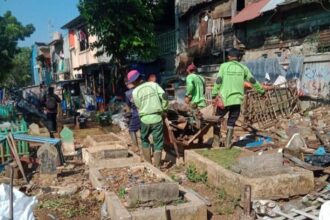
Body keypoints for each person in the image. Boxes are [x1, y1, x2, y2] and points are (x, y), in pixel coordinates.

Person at [211, 48, 265, 148]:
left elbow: (218, 80)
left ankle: (216, 144)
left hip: (224, 100)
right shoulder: (243, 68)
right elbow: (252, 80)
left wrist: (214, 94)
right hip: (236, 100)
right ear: (238, 57)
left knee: (217, 120)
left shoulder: (224, 66)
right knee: (231, 122)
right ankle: (227, 144)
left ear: (229, 57)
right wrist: (261, 90)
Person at [131, 70, 168, 168]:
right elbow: (164, 96)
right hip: (157, 118)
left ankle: (148, 164)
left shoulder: (135, 92)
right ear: (141, 78)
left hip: (144, 119)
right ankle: (158, 165)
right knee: (158, 142)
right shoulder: (153, 85)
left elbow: (138, 106)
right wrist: (164, 109)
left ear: (133, 82)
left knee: (144, 139)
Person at [124, 73, 141, 155]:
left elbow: (128, 107)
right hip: (146, 113)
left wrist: (127, 113)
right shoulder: (142, 89)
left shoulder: (128, 93)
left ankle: (135, 146)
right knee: (144, 132)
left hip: (136, 114)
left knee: (131, 129)